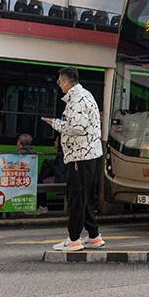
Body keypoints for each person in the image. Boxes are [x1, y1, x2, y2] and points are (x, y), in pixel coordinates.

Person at [44, 67, 106, 252]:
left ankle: (74, 239)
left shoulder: (77, 99)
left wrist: (55, 123)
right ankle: (94, 236)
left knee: (76, 197)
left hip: (80, 155)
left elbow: (76, 127)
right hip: (88, 155)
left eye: (60, 81)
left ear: (68, 81)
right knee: (85, 197)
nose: (58, 84)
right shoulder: (84, 95)